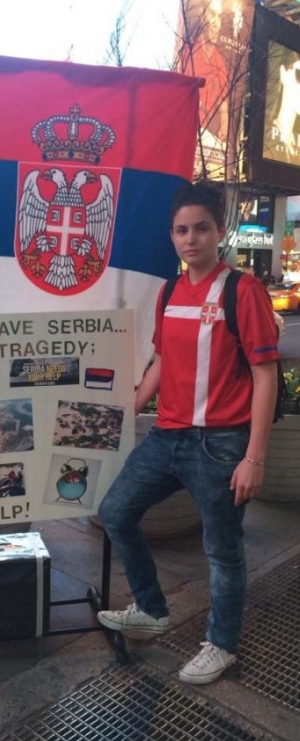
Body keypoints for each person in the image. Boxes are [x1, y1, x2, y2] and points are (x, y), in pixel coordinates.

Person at [97, 182, 278, 685]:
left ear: (220, 231)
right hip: (166, 437)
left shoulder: (243, 290)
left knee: (222, 549)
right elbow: (160, 360)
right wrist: (130, 409)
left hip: (221, 444)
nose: (190, 239)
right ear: (172, 236)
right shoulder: (170, 291)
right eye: (181, 230)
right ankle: (152, 610)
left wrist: (254, 458)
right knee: (115, 513)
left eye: (201, 228)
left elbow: (265, 376)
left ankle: (223, 644)